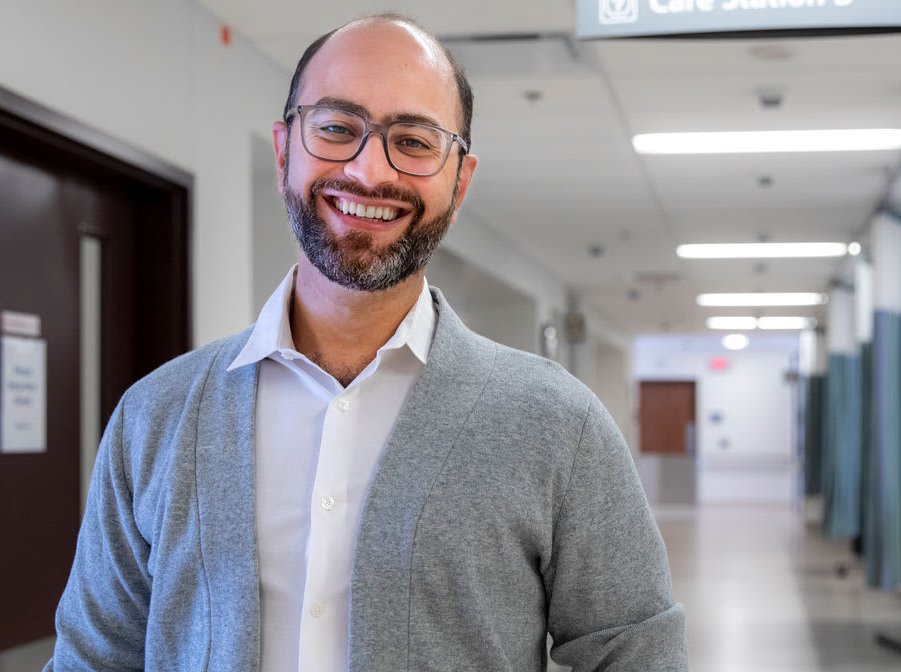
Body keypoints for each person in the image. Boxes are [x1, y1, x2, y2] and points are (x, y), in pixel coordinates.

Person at [46, 13, 687, 672]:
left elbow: (636, 650)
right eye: (335, 128)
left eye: (412, 140)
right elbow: (95, 658)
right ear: (283, 151)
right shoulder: (157, 416)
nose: (368, 169)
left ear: (459, 182)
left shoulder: (556, 425)